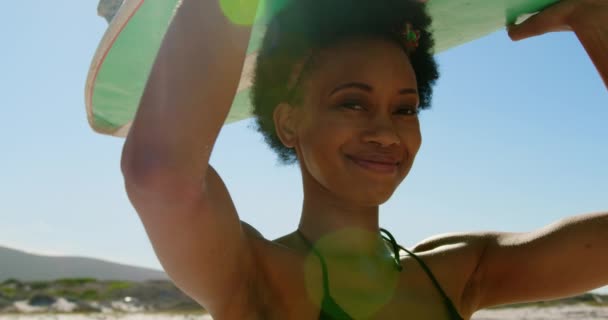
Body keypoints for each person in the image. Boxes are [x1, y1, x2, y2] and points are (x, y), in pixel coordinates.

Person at [120, 0, 607, 319]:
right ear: (289, 123)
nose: (385, 132)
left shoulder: (456, 272)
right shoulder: (259, 279)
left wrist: (596, 23)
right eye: (351, 102)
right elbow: (162, 172)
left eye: (405, 109)